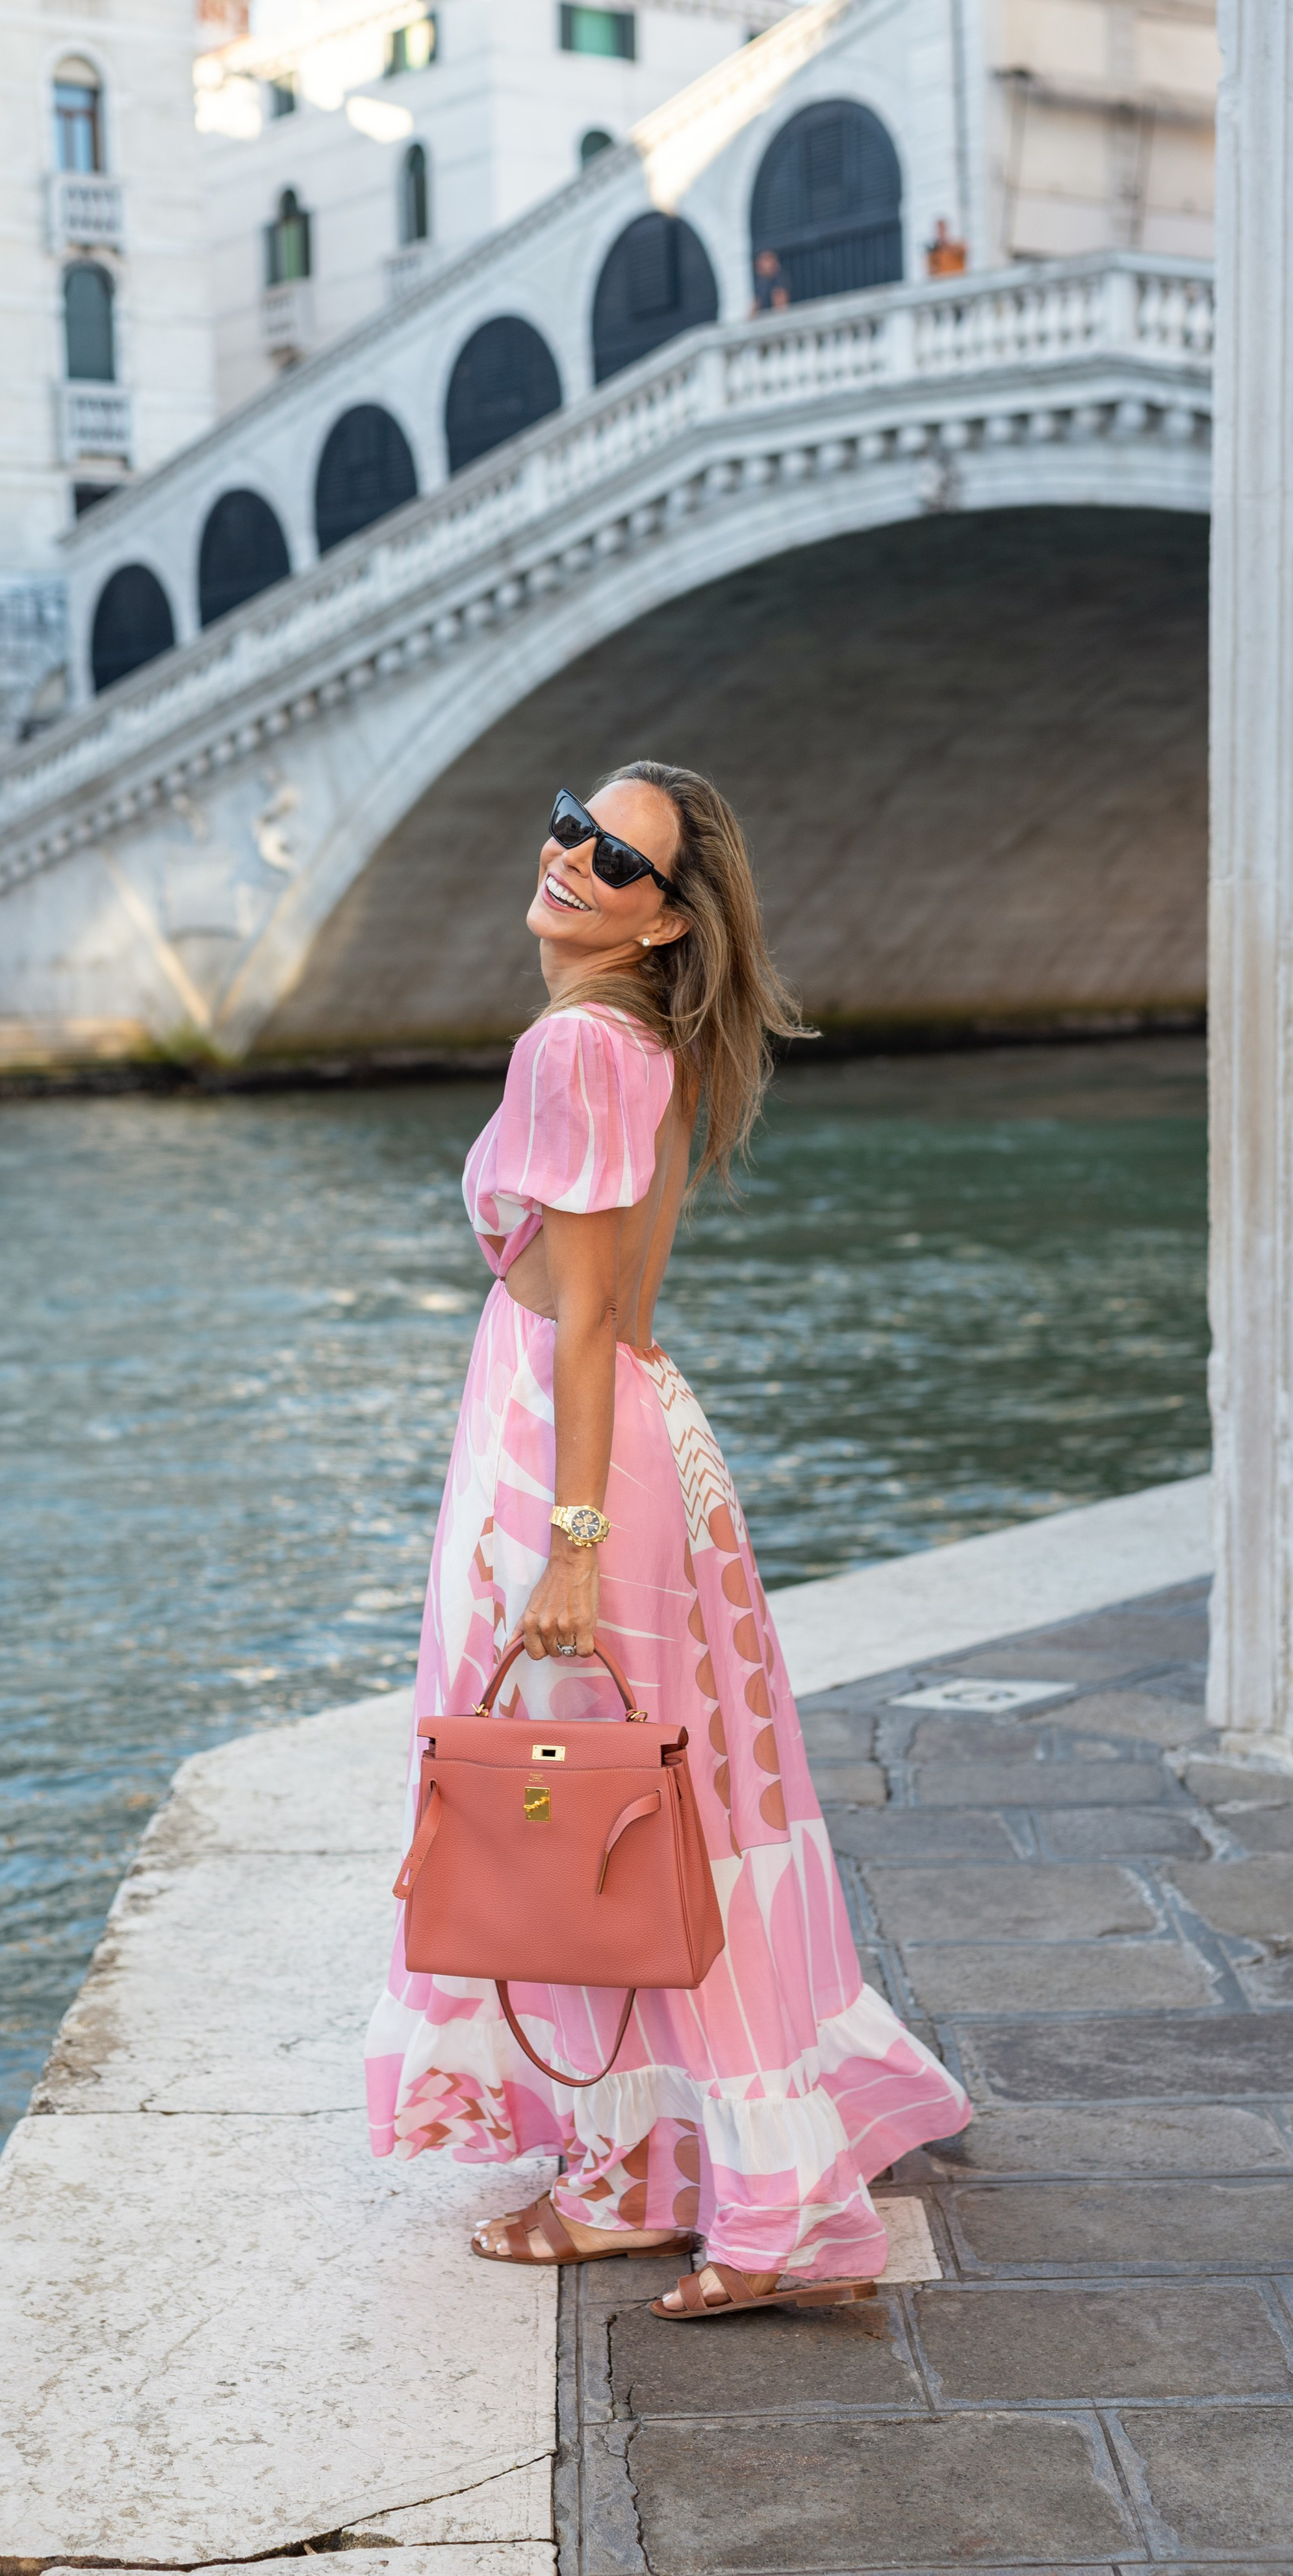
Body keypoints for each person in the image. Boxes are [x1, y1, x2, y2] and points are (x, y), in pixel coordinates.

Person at [364, 763, 971, 2321]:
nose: (572, 858)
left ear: (660, 919)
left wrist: (566, 1539)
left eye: (614, 857)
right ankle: (697, 2154)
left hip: (562, 1449)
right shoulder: (646, 1044)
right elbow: (616, 1321)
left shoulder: (574, 1040)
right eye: (574, 822)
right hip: (650, 1432)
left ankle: (655, 2185)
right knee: (665, 1816)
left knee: (578, 1821)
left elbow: (572, 1327)